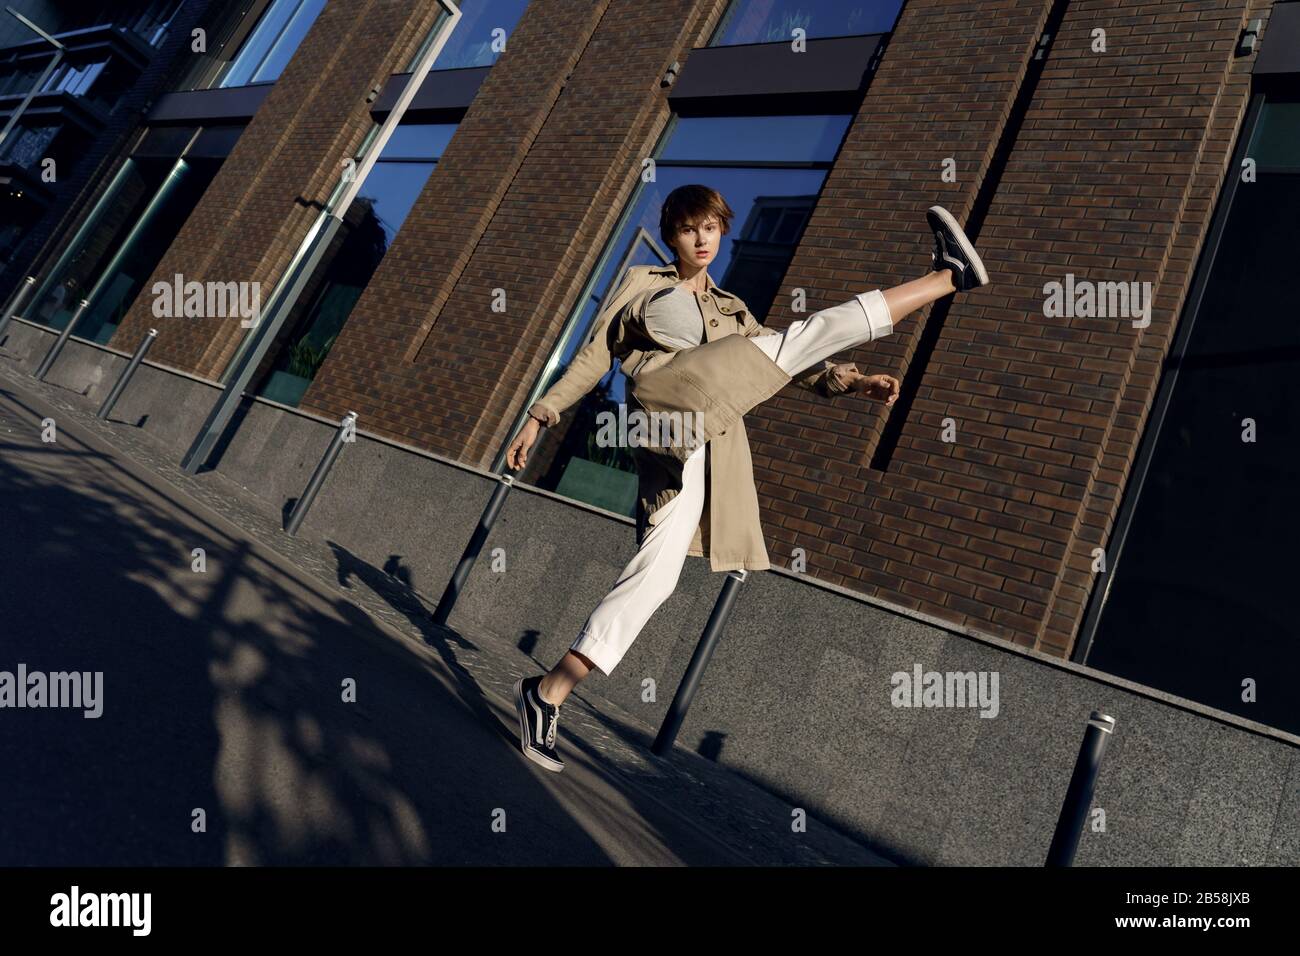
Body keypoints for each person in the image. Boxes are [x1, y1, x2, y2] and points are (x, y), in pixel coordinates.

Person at [507, 185, 989, 771]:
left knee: (655, 578)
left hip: (706, 438)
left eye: (712, 226)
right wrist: (540, 415)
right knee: (796, 337)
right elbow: (593, 355)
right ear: (673, 236)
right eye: (689, 229)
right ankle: (945, 278)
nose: (702, 238)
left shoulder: (732, 309)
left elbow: (789, 361)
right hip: (665, 405)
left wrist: (851, 382)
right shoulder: (642, 282)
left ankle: (547, 692)